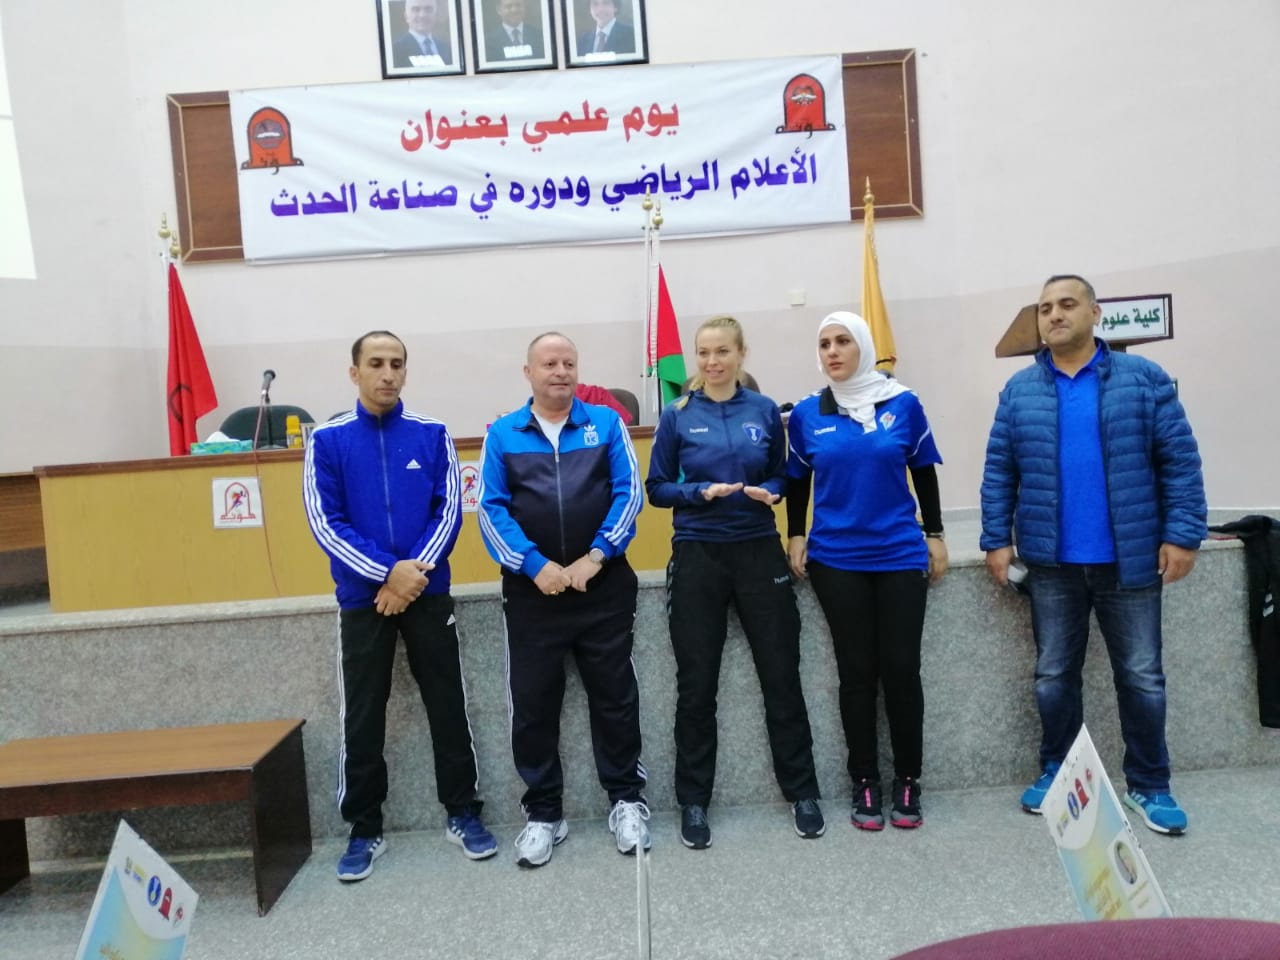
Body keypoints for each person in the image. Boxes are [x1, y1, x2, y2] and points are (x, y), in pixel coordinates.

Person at [980, 274, 1207, 836]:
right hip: (1051, 564)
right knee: (1054, 674)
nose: (1054, 315)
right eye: (1045, 308)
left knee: (1143, 677)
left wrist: (1183, 534)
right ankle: (1060, 773)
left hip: (1130, 562)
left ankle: (1150, 785)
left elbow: (1180, 461)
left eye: (1067, 304)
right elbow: (1000, 470)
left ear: (1094, 313)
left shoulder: (1142, 379)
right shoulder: (1020, 390)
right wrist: (996, 539)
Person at [303, 330, 496, 882]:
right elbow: (325, 522)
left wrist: (412, 576)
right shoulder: (328, 440)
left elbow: (449, 511)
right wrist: (388, 573)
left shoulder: (432, 434)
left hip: (427, 594)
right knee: (363, 714)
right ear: (354, 372)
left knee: (448, 704)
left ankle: (463, 812)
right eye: (376, 364)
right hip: (364, 599)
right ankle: (364, 828)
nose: (387, 374)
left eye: (396, 364)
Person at [646, 316, 825, 850]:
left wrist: (770, 492)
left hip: (757, 551)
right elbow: (657, 488)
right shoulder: (678, 415)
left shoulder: (764, 411)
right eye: (703, 353)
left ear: (741, 353)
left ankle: (803, 793)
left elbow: (782, 475)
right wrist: (698, 493)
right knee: (696, 686)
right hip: (698, 554)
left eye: (722, 351)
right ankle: (693, 802)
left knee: (782, 676)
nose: (711, 362)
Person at [478, 332, 649, 868]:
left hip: (602, 587)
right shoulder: (503, 434)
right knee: (533, 705)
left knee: (615, 698)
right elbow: (491, 509)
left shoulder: (607, 424)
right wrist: (536, 566)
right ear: (528, 372)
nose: (560, 371)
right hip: (533, 595)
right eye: (549, 363)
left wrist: (595, 557)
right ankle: (544, 814)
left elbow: (630, 493)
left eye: (569, 363)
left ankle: (626, 801)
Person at [786, 312, 948, 831]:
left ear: (863, 346)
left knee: (901, 670)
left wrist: (935, 533)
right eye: (824, 344)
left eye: (843, 341)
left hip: (899, 553)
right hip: (836, 559)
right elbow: (797, 481)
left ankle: (908, 780)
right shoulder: (807, 413)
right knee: (855, 674)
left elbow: (922, 470)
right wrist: (795, 534)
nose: (833, 351)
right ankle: (864, 781)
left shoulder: (903, 402)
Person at [392, 0, 453, 68]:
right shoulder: (395, 50)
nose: (422, 15)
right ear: (406, 16)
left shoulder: (447, 48)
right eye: (416, 9)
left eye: (428, 9)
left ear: (436, 15)